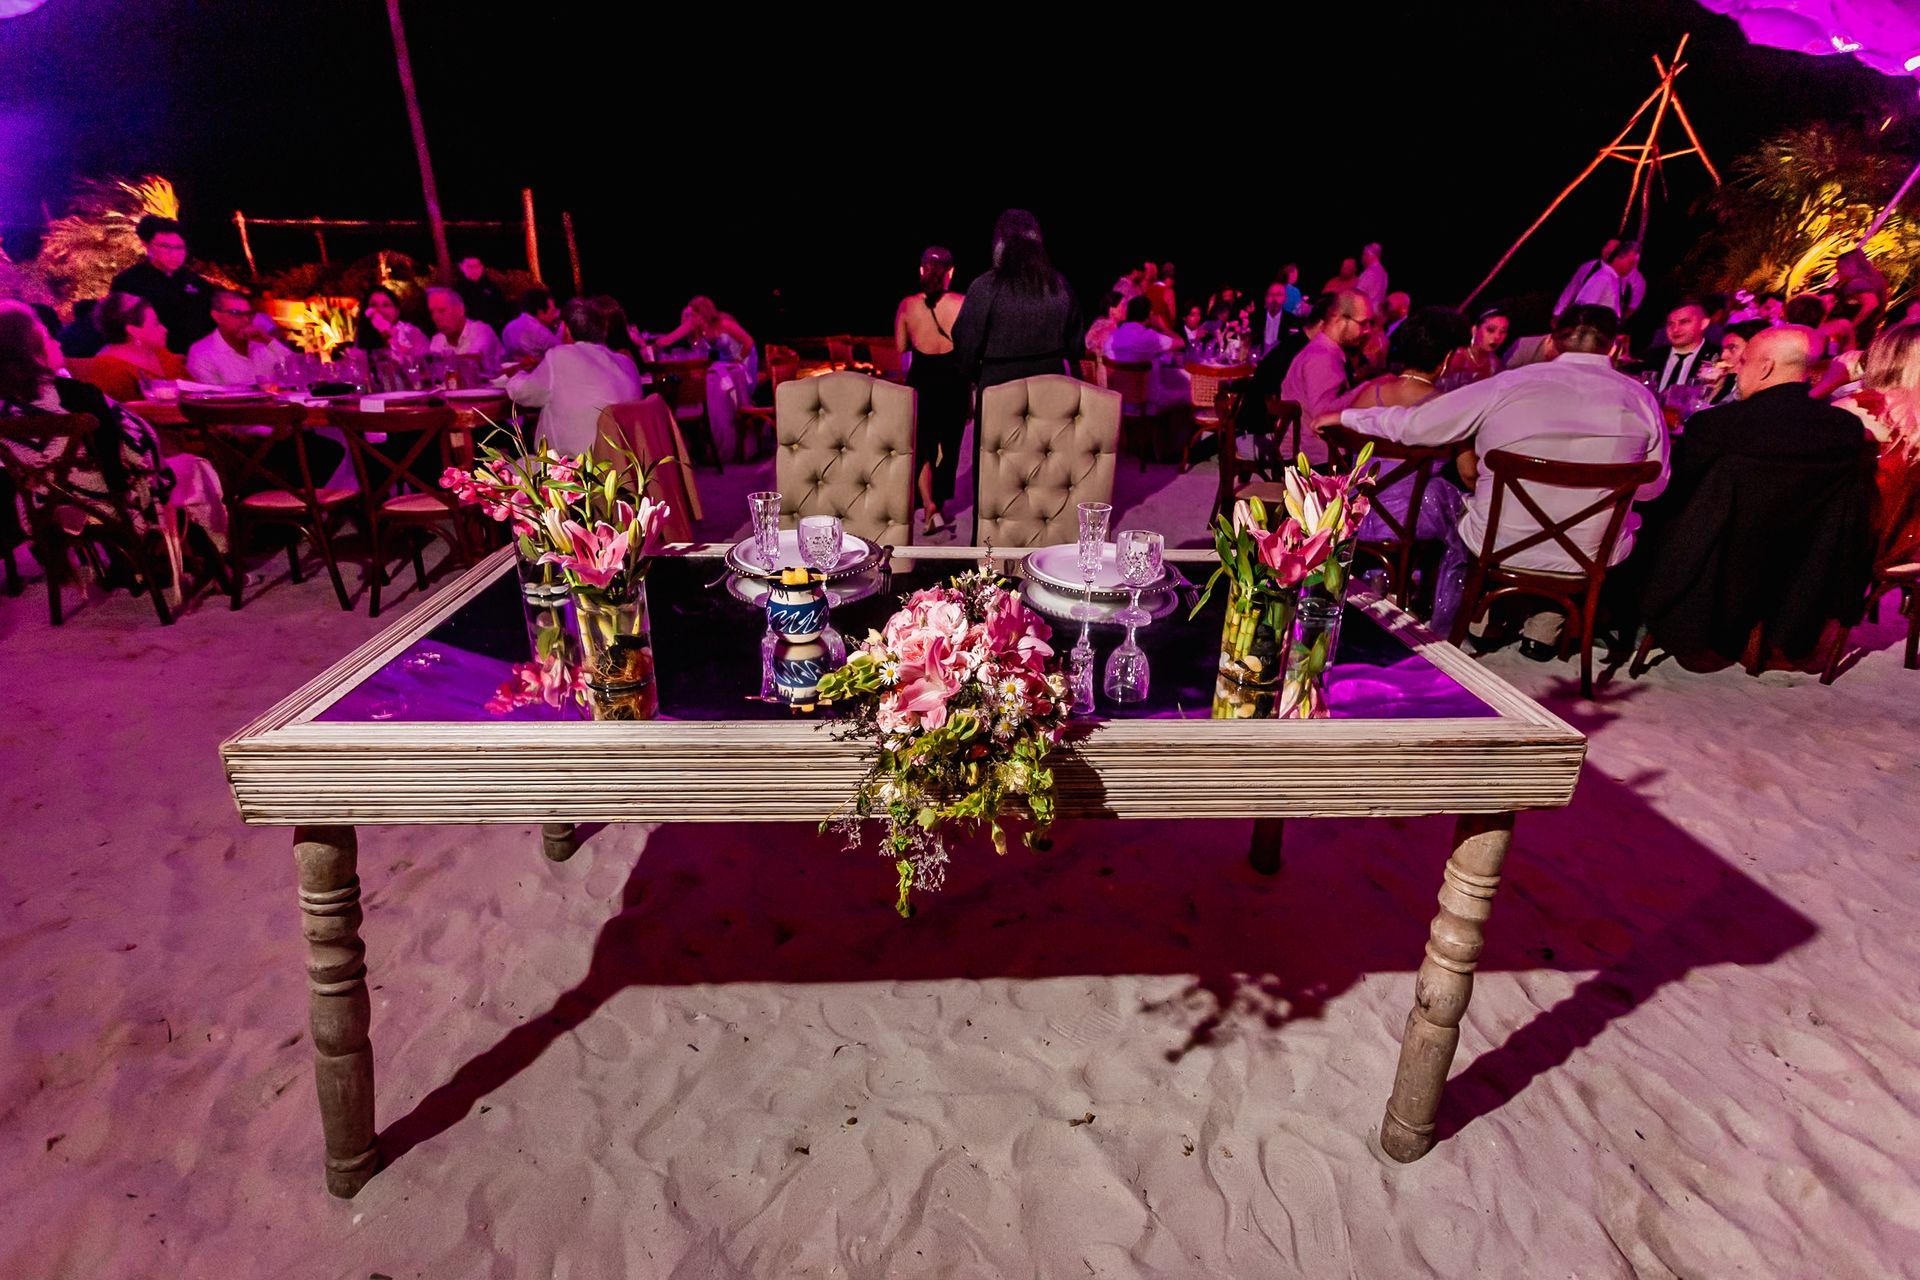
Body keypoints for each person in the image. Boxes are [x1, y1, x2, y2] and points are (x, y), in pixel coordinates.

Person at [1322, 305, 1669, 649]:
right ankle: (1545, 626)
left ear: (1553, 341)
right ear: (1612, 346)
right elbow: (1653, 488)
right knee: (1630, 523)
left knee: (1462, 508)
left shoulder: (1508, 384)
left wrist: (1348, 417)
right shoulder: (1641, 400)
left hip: (1498, 546)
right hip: (1589, 554)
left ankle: (1481, 616)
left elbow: (1415, 426)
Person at [1641, 326, 1876, 668]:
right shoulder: (1843, 428)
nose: (1736, 368)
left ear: (1765, 367)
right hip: (1798, 566)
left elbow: (1674, 497)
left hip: (1711, 569)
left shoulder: (1718, 426)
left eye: (1744, 361)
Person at [0, 299, 224, 556]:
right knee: (192, 467)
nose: (58, 342)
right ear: (30, 352)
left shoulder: (7, 409)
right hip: (109, 502)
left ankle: (143, 561)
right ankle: (218, 561)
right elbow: (136, 445)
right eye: (48, 338)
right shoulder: (80, 396)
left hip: (45, 508)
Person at [952, 209, 1082, 398]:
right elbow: (1076, 347)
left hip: (998, 387)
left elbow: (965, 346)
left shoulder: (984, 287)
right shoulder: (1060, 285)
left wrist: (981, 377)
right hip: (1051, 387)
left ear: (999, 244)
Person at [505, 296, 645, 455]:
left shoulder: (559, 356)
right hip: (627, 465)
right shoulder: (626, 363)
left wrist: (515, 376)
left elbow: (524, 393)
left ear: (566, 328)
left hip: (577, 468)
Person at [895, 246, 968, 534]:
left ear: (921, 271)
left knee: (923, 446)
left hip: (923, 380)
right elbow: (970, 347)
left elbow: (901, 347)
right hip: (955, 380)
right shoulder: (963, 303)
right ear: (951, 273)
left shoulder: (907, 305)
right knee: (950, 448)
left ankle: (929, 507)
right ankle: (938, 500)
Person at [1838, 321, 1920, 574]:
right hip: (1911, 542)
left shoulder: (1861, 408)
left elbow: (1786, 432)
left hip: (1864, 540)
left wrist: (1832, 381)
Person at [650, 295, 758, 461]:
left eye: (694, 315)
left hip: (743, 360)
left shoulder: (724, 323)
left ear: (703, 313)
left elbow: (748, 342)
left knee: (719, 383)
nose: (692, 319)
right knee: (715, 385)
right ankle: (714, 440)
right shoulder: (700, 330)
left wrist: (738, 359)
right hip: (726, 364)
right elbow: (692, 348)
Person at [109, 215, 216, 355]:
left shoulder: (195, 281)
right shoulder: (128, 282)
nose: (174, 254)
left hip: (202, 356)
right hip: (156, 359)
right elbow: (120, 329)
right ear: (146, 245)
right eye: (165, 246)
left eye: (180, 247)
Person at [1281, 289, 1374, 424]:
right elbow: (1323, 417)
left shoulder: (1322, 350)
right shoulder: (1322, 358)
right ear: (1338, 319)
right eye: (1363, 323)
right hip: (1309, 444)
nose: (1368, 331)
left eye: (1370, 323)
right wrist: (1369, 390)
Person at [81, 293, 188, 401]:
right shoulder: (108, 368)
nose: (165, 329)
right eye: (156, 324)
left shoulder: (160, 353)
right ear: (133, 331)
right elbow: (122, 414)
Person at [186, 290, 295, 387]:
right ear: (216, 316)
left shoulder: (262, 344)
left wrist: (268, 340)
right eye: (236, 313)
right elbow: (214, 400)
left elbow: (298, 371)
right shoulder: (202, 353)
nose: (246, 319)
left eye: (249, 314)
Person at [1104, 295, 1188, 415]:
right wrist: (1162, 326)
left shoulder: (1112, 337)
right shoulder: (1148, 337)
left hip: (1117, 404)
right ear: (1148, 315)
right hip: (1148, 403)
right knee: (1188, 394)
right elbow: (1181, 343)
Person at [1554, 238, 1645, 319]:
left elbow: (1630, 307)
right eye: (1631, 263)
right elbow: (1582, 309)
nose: (1632, 267)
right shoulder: (1602, 278)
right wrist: (1558, 313)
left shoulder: (1619, 278)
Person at [425, 287, 504, 372]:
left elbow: (473, 364)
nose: (435, 317)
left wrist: (439, 361)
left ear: (460, 309)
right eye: (432, 312)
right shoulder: (437, 340)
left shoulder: (481, 330)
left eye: (442, 310)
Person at [1652, 299, 1719, 392]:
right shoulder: (1652, 356)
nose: (1675, 329)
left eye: (1684, 322)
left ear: (1703, 324)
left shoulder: (1718, 359)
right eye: (1670, 323)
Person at [1702, 318, 1770, 406]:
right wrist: (1715, 388)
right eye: (1723, 349)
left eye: (1732, 348)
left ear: (1755, 348)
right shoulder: (1729, 380)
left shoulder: (1761, 390)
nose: (1723, 356)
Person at [1439, 307, 1509, 389]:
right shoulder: (1452, 356)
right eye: (1491, 330)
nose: (1497, 336)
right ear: (1474, 330)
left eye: (1502, 332)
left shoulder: (1495, 366)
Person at [354, 285, 429, 356]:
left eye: (386, 305)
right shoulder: (363, 338)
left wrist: (391, 338)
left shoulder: (412, 334)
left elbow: (425, 363)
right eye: (374, 305)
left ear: (397, 311)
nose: (380, 310)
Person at [500, 287, 564, 365]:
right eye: (552, 311)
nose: (555, 316)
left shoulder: (508, 327)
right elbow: (561, 350)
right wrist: (562, 330)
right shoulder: (539, 331)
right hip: (538, 375)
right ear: (540, 313)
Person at [453, 255, 511, 329]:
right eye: (469, 266)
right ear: (461, 267)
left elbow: (501, 307)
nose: (473, 270)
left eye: (476, 266)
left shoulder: (492, 286)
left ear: (482, 267)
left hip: (493, 328)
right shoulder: (458, 289)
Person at [1083, 291, 1127, 362]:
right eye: (1123, 305)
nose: (1126, 309)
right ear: (1112, 309)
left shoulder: (1100, 322)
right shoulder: (1108, 326)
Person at [1254, 282, 1290, 354]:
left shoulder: (1293, 321)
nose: (1274, 299)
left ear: (1285, 298)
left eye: (1279, 295)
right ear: (1265, 298)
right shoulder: (1254, 318)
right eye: (1271, 295)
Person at [1355, 242, 1388, 312]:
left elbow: (1358, 295)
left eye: (1364, 254)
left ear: (1369, 254)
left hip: (1363, 312)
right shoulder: (1384, 274)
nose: (1362, 258)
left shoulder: (1369, 273)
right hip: (1375, 314)